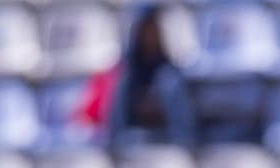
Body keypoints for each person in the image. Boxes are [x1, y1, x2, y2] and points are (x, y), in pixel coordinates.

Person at [77, 4, 196, 149]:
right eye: (146, 29)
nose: (150, 36)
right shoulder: (123, 75)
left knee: (171, 82)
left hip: (167, 143)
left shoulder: (171, 75)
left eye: (154, 29)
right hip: (130, 142)